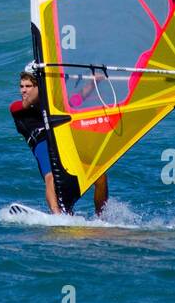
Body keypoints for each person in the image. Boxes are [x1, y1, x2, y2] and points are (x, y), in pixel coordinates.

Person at [10, 69, 108, 216]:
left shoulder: (50, 105)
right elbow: (28, 102)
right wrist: (47, 81)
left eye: (28, 86)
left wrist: (94, 82)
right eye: (22, 86)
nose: (24, 90)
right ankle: (57, 216)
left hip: (62, 142)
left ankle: (101, 217)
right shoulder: (16, 107)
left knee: (100, 176)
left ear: (37, 87)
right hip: (41, 144)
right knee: (51, 178)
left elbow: (77, 100)